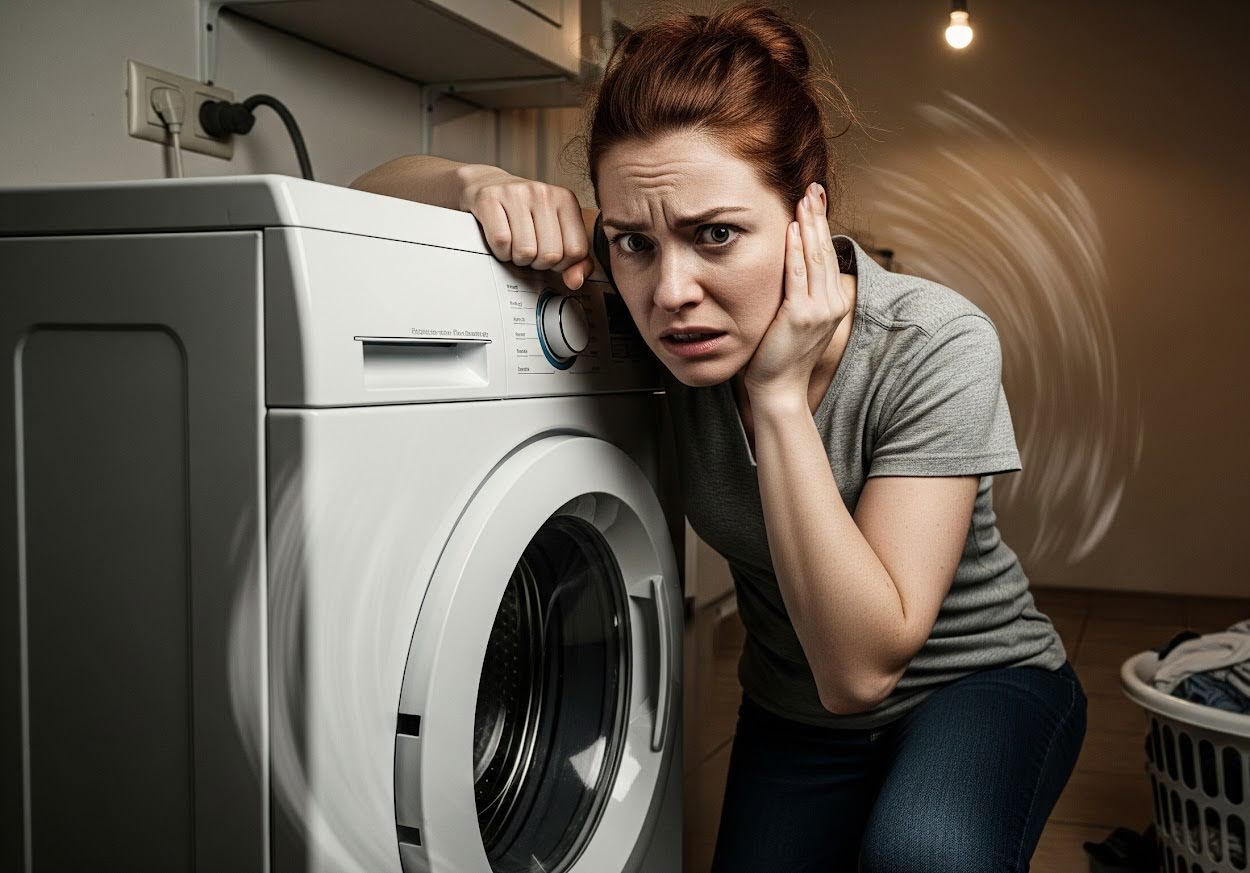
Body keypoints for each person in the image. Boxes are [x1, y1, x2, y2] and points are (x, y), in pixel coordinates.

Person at [353, 3, 1086, 870]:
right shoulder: (650, 291)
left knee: (919, 856)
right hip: (793, 707)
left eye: (719, 235)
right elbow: (363, 195)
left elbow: (860, 670)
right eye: (633, 242)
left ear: (806, 217)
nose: (671, 291)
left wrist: (776, 396)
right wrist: (474, 186)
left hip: (980, 686)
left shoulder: (935, 344)